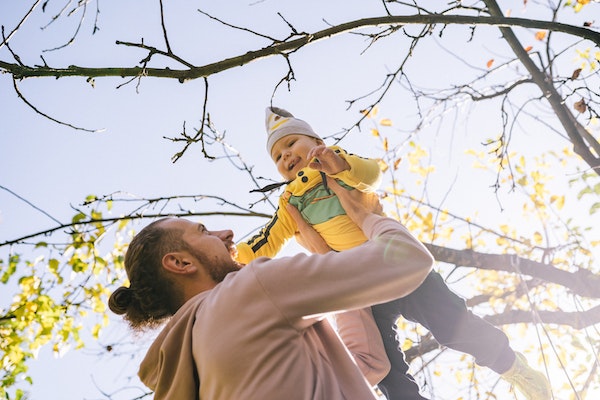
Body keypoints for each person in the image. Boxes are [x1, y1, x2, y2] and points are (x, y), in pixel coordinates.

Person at [235, 106, 552, 400]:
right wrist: (233, 258)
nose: (286, 154)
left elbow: (372, 174)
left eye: (291, 143)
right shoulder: (289, 203)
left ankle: (513, 367)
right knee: (382, 368)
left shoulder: (335, 163)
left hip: (392, 262)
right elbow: (266, 241)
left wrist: (340, 164)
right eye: (278, 156)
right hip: (360, 291)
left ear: (316, 141)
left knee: (450, 324)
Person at [108, 177, 435, 400]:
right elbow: (407, 259)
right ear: (180, 263)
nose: (226, 233)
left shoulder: (190, 370)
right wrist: (365, 215)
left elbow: (363, 366)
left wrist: (326, 260)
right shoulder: (249, 289)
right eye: (204, 231)